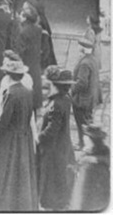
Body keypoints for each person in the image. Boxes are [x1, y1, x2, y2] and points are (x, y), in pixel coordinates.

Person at [0, 56, 38, 211]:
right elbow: (30, 115)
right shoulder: (28, 92)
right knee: (23, 169)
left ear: (9, 76)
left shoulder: (11, 93)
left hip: (11, 137)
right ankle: (23, 202)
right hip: (25, 135)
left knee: (5, 169)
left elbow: (4, 120)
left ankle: (4, 204)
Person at [37, 66, 76, 210]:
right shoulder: (65, 99)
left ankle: (53, 207)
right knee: (60, 178)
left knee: (51, 180)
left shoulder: (56, 104)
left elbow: (52, 129)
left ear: (55, 86)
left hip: (52, 149)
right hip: (62, 146)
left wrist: (38, 138)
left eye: (50, 84)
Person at [71, 36, 102, 150]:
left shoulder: (84, 63)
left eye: (79, 46)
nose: (78, 48)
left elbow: (81, 83)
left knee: (82, 123)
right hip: (91, 97)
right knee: (88, 121)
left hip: (82, 99)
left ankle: (83, 144)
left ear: (83, 48)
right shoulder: (92, 60)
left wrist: (71, 90)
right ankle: (91, 144)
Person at [69, 124, 110, 211]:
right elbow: (78, 164)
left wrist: (93, 159)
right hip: (83, 187)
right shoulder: (86, 150)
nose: (83, 138)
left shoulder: (104, 150)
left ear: (92, 139)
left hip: (96, 188)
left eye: (86, 136)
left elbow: (108, 160)